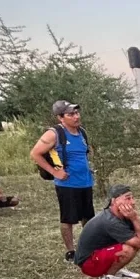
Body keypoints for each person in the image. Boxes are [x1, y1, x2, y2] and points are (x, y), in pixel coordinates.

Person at [30, 100, 95, 263]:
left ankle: (89, 248)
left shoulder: (82, 132)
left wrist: (88, 168)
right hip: (67, 184)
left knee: (88, 218)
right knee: (68, 219)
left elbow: (84, 154)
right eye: (71, 114)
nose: (76, 116)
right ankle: (70, 252)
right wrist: (54, 172)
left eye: (77, 113)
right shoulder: (54, 134)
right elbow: (35, 154)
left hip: (85, 182)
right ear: (60, 117)